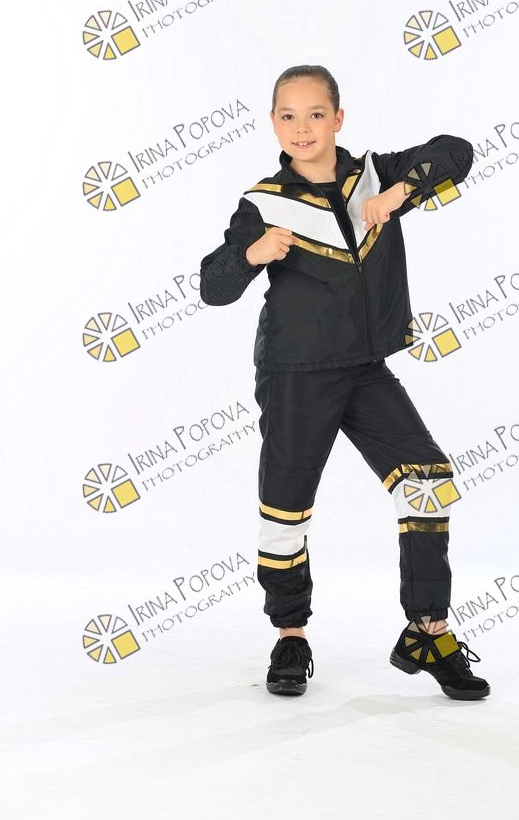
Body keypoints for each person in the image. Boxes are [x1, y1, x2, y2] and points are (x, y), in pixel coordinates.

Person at [199, 64, 489, 702]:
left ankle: (429, 631)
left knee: (427, 480)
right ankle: (290, 636)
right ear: (273, 122)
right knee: (287, 507)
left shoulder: (376, 176)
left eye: (314, 114)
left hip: (364, 369)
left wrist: (399, 193)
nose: (301, 128)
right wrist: (251, 254)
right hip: (296, 373)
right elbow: (212, 287)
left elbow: (457, 152)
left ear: (337, 118)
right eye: (287, 115)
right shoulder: (264, 203)